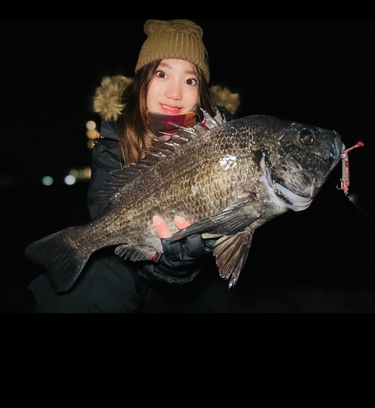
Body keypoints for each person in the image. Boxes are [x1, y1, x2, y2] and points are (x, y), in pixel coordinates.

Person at [27, 19, 240, 312]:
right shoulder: (115, 140)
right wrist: (164, 264)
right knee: (79, 294)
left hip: (205, 278)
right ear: (143, 80)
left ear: (201, 92)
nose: (175, 93)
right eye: (162, 74)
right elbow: (106, 212)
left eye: (190, 80)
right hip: (132, 268)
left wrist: (181, 267)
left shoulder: (224, 141)